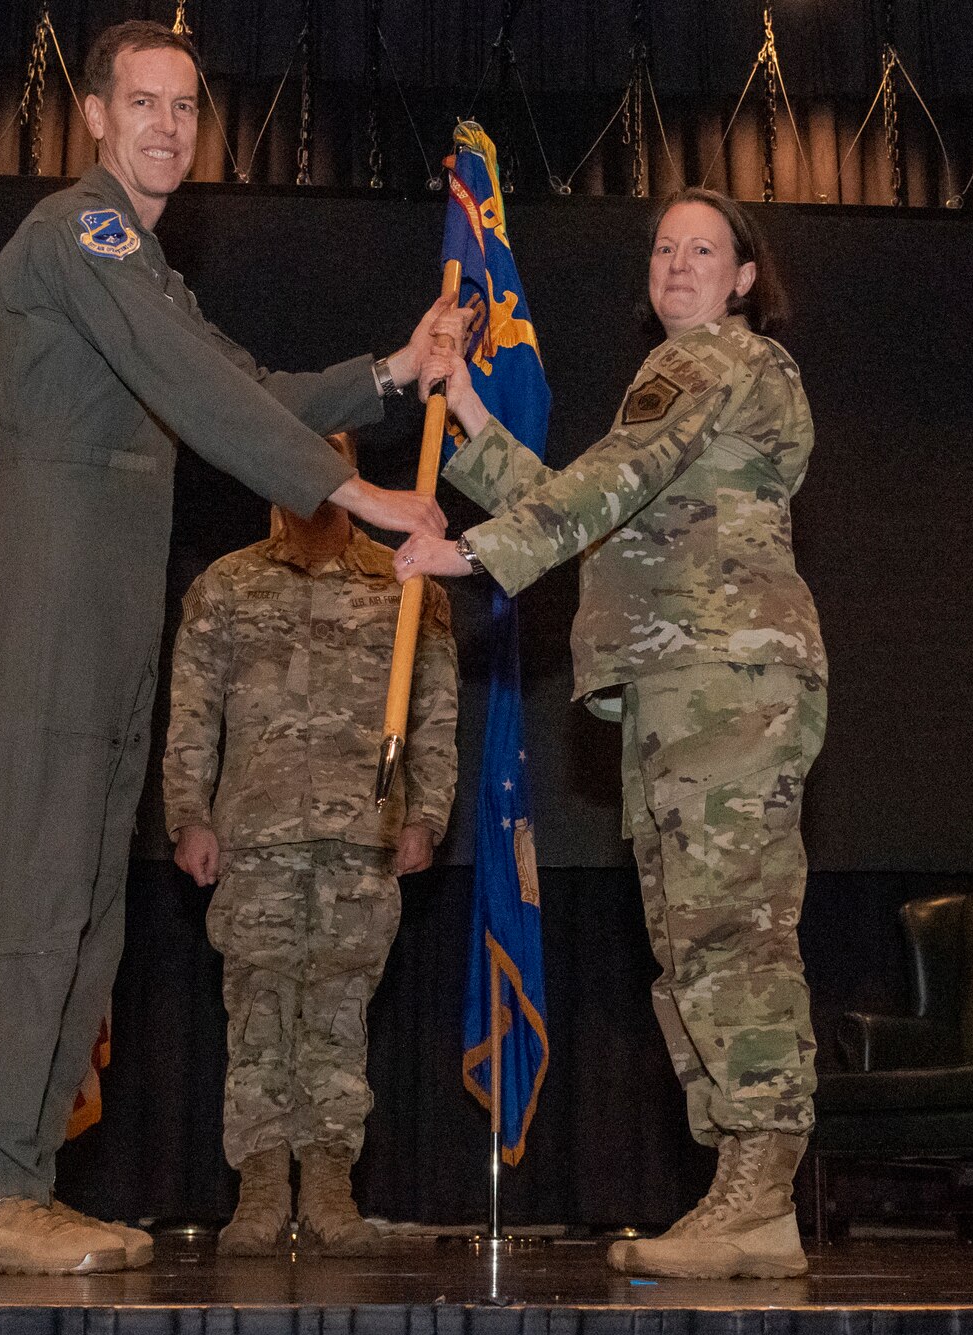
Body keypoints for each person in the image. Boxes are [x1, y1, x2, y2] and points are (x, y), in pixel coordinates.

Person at [0, 20, 462, 1276]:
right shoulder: (78, 231)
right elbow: (200, 390)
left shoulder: (151, 274)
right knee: (30, 883)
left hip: (112, 584)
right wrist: (358, 498)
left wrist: (388, 372)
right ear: (94, 118)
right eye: (142, 103)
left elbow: (245, 381)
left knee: (88, 903)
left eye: (185, 108)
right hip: (51, 563)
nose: (166, 126)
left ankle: (21, 1184)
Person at [396, 188, 826, 1280]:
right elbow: (592, 499)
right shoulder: (673, 391)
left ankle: (760, 1184)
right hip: (682, 685)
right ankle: (743, 1197)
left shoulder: (722, 361)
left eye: (704, 250)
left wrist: (479, 552)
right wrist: (467, 412)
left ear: (741, 279)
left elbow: (606, 484)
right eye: (663, 248)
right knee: (688, 937)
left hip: (727, 680)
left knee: (728, 931)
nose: (677, 264)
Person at [162, 432, 458, 1257]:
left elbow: (434, 707)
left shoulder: (404, 583)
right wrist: (189, 814)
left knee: (337, 1011)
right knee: (257, 1007)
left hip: (362, 836)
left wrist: (426, 813)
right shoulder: (227, 584)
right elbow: (192, 712)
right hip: (254, 837)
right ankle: (260, 1187)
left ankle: (329, 1186)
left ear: (352, 476)